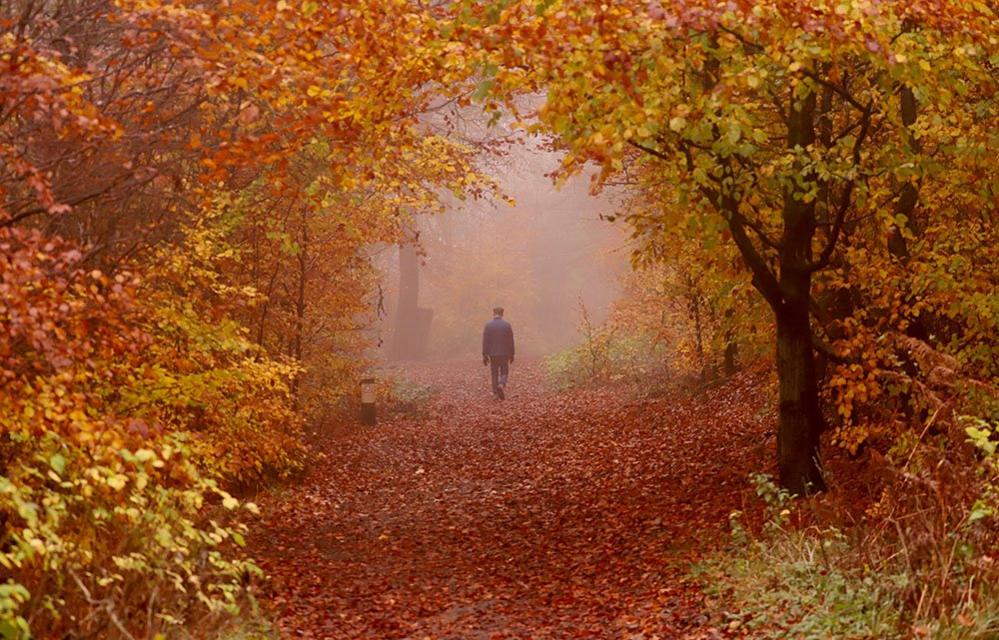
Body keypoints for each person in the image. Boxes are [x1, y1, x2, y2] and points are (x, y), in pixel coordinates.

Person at [482, 306, 515, 400]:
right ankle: (501, 384)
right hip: (504, 353)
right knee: (504, 370)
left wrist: (484, 354)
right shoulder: (507, 325)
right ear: (502, 314)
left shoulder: (488, 325)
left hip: (492, 354)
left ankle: (495, 393)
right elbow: (511, 341)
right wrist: (512, 354)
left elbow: (485, 341)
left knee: (494, 373)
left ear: (494, 313)